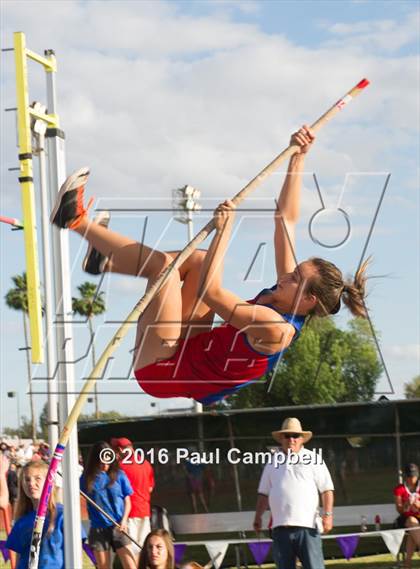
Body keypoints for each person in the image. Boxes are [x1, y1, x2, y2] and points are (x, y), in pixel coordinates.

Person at [50, 126, 368, 405]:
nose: (287, 274)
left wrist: (224, 231)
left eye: (297, 277)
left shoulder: (276, 330)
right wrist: (298, 157)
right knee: (200, 259)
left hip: (162, 373)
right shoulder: (287, 291)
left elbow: (211, 293)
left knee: (164, 268)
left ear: (308, 300)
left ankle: (75, 221)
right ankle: (105, 259)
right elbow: (285, 220)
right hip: (188, 350)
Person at [253, 417, 334, 569]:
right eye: (287, 435)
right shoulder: (272, 461)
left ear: (302, 439)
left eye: (295, 436)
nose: (291, 439)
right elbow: (263, 493)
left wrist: (328, 515)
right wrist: (258, 516)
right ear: (281, 438)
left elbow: (327, 489)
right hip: (280, 528)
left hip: (308, 527)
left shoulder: (314, 458)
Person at [5, 460, 80, 569]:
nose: (31, 483)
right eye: (27, 479)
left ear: (49, 482)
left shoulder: (63, 515)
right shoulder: (21, 520)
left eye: (38, 478)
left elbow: (75, 554)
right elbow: (19, 557)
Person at [80, 441, 137, 569]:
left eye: (108, 461)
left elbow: (127, 500)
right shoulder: (86, 478)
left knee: (130, 565)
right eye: (101, 462)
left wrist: (124, 521)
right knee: (104, 566)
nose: (105, 465)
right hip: (98, 528)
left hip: (118, 526)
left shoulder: (119, 475)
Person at [111, 437, 155, 563]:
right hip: (144, 511)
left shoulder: (120, 466)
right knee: (143, 549)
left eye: (115, 450)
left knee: (132, 551)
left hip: (128, 513)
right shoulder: (145, 463)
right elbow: (150, 488)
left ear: (119, 449)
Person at [394, 463, 420, 568]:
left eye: (414, 476)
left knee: (412, 531)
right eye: (409, 476)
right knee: (411, 521)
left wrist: (418, 505)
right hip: (405, 519)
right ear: (406, 476)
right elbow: (399, 509)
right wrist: (407, 504)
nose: (412, 479)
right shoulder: (399, 489)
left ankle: (407, 563)